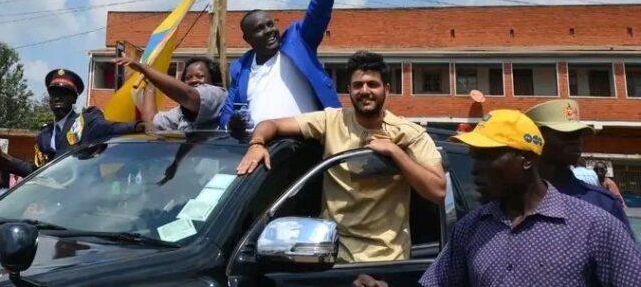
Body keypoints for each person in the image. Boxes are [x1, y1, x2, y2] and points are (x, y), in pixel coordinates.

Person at [237, 51, 445, 262]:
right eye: (358, 85)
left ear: (387, 89)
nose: (365, 91)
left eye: (373, 84)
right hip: (331, 258)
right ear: (349, 90)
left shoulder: (408, 133)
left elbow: (438, 191)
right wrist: (257, 144)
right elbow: (272, 124)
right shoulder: (331, 121)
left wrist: (396, 153)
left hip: (386, 261)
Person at [413, 110, 641, 286]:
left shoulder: (594, 227)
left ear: (527, 159)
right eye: (474, 158)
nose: (475, 169)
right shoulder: (470, 228)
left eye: (487, 157)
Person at [220, 0, 348, 131]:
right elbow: (226, 116)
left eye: (270, 24)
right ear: (247, 39)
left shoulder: (299, 43)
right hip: (258, 147)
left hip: (303, 145)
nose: (269, 31)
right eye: (259, 29)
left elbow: (320, 6)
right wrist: (231, 123)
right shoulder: (240, 69)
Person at [0, 68, 146, 178]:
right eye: (53, 93)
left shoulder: (87, 121)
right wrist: (2, 157)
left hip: (81, 202)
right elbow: (35, 172)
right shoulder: (45, 134)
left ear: (74, 99)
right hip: (51, 203)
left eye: (64, 93)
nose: (57, 98)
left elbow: (108, 127)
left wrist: (137, 126)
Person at [524, 99, 634, 236]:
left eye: (579, 135)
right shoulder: (511, 201)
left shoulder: (602, 203)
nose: (576, 141)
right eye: (565, 134)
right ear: (535, 138)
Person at [116, 54, 227, 131]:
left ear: (212, 78)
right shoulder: (182, 112)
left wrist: (144, 69)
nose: (193, 80)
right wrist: (150, 83)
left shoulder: (217, 94)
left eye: (200, 76)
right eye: (188, 78)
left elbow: (188, 95)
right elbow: (151, 121)